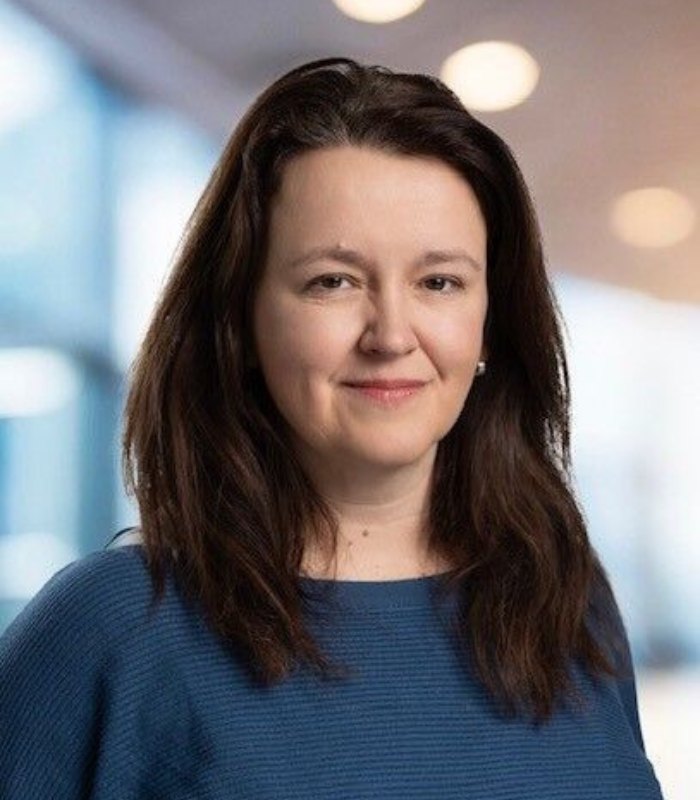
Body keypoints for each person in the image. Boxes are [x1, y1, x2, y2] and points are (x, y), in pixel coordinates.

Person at [0, 57, 665, 799]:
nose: (390, 333)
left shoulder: (563, 602)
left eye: (438, 281)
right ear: (242, 323)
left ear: (490, 326)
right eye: (333, 281)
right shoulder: (109, 631)